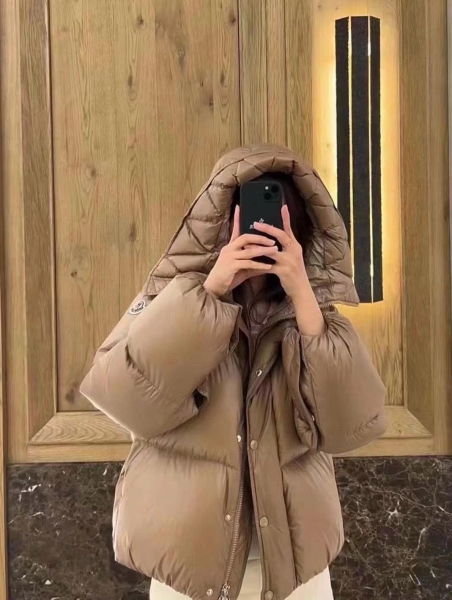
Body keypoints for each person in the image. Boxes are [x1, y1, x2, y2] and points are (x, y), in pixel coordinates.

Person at [79, 144, 388, 600]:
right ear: (222, 221)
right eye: (249, 215)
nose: (264, 229)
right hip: (187, 559)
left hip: (295, 566)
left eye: (280, 218)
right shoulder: (173, 298)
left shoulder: (315, 318)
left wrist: (304, 295)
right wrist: (211, 293)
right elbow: (125, 398)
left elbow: (351, 425)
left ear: (301, 229)